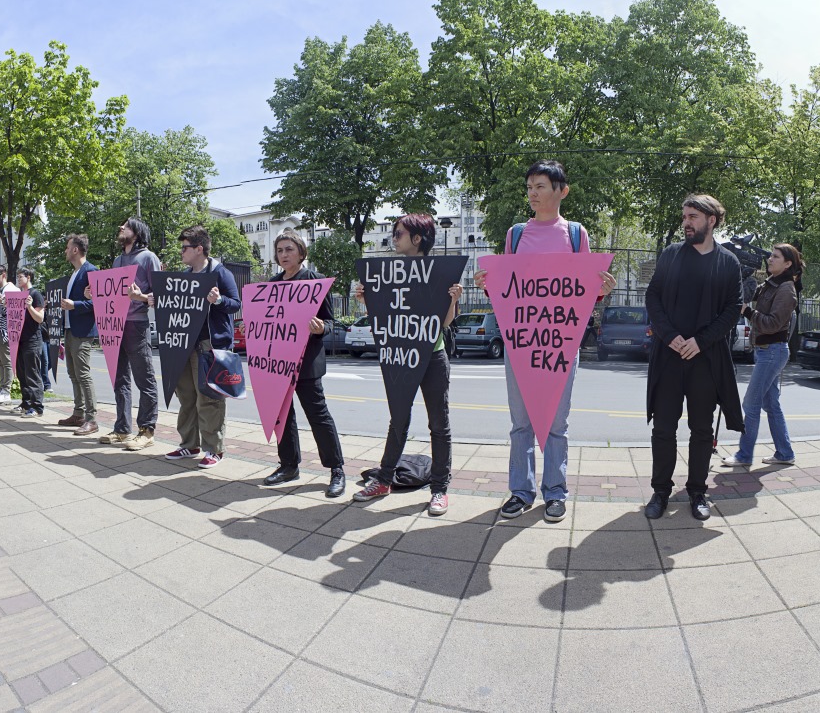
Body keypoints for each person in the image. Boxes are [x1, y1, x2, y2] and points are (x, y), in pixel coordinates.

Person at [472, 160, 615, 523]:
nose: (533, 193)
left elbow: (584, 292)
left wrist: (601, 290)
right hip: (520, 342)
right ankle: (521, 491)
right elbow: (510, 289)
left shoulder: (577, 234)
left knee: (555, 424)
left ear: (561, 191)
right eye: (530, 187)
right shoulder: (515, 234)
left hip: (560, 343)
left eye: (540, 186)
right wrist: (488, 283)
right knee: (521, 422)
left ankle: (555, 492)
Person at [352, 214, 462, 516]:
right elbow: (389, 316)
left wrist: (452, 301)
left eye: (398, 233)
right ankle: (384, 480)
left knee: (439, 424)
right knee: (398, 420)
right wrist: (367, 301)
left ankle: (439, 488)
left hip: (433, 356)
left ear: (417, 238)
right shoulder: (389, 273)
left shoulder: (440, 271)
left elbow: (444, 323)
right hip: (400, 354)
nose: (393, 237)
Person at [644, 194, 743, 521]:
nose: (686, 222)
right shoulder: (671, 255)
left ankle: (698, 492)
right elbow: (652, 296)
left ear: (711, 220)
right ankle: (660, 491)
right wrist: (671, 336)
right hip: (669, 357)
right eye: (684, 216)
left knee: (702, 430)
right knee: (663, 429)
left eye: (693, 216)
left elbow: (732, 310)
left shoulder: (728, 262)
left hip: (705, 360)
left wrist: (700, 342)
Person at [145, 226, 240, 468]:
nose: (181, 252)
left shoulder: (221, 273)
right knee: (186, 395)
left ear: (200, 249)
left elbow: (235, 304)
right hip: (183, 343)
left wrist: (219, 300)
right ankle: (189, 444)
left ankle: (214, 449)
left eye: (185, 247)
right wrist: (159, 301)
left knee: (209, 397)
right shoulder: (185, 275)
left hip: (210, 344)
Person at [261, 231, 347, 497]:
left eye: (288, 249)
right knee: (282, 416)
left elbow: (331, 322)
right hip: (278, 361)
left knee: (318, 415)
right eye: (279, 251)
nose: (283, 255)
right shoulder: (272, 284)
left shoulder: (314, 281)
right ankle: (288, 465)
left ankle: (336, 469)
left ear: (301, 251)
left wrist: (321, 328)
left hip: (306, 361)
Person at [722, 244, 804, 469]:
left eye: (775, 257)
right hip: (766, 352)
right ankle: (785, 452)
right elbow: (746, 293)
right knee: (771, 404)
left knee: (751, 403)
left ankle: (744, 455)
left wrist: (747, 312)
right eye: (770, 255)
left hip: (772, 352)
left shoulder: (786, 289)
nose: (770, 259)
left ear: (788, 264)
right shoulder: (770, 284)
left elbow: (772, 324)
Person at [97, 218, 161, 450]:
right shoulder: (117, 260)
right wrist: (94, 292)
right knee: (120, 379)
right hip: (114, 325)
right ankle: (122, 429)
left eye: (125, 226)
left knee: (144, 378)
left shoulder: (148, 258)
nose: (120, 228)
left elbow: (160, 295)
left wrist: (141, 298)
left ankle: (147, 430)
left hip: (137, 325)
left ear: (137, 233)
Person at [58, 234, 99, 434]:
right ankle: (78, 413)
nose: (65, 251)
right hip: (70, 329)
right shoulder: (74, 273)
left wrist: (74, 304)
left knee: (83, 374)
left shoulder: (91, 271)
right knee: (73, 374)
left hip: (82, 331)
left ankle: (92, 419)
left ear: (75, 250)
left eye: (67, 247)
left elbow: (97, 303)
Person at [14, 267, 47, 416]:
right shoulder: (19, 295)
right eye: (17, 277)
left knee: (32, 373)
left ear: (28, 277)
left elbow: (40, 318)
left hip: (32, 340)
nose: (18, 279)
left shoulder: (35, 294)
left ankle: (37, 407)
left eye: (21, 277)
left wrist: (29, 307)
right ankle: (26, 404)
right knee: (22, 374)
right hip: (19, 339)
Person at [0, 264, 19, 403]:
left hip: (5, 331)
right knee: (1, 361)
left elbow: (16, 311)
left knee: (6, 362)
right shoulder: (0, 290)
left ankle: (6, 391)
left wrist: (5, 304)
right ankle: (2, 390)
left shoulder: (12, 289)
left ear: (4, 275)